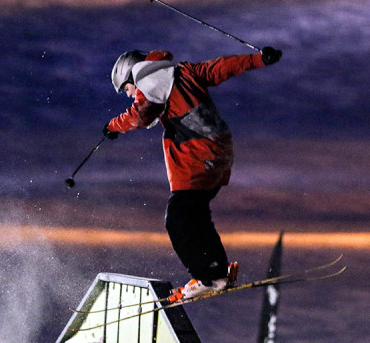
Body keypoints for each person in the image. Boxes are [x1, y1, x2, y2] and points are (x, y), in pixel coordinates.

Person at [103, 46, 282, 299]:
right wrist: (259, 58)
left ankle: (207, 277)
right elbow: (220, 67)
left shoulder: (150, 82)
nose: (130, 94)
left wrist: (112, 126)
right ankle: (217, 272)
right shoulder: (184, 71)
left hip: (199, 156)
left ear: (133, 75)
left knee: (177, 219)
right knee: (196, 214)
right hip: (219, 153)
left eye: (126, 88)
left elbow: (139, 116)